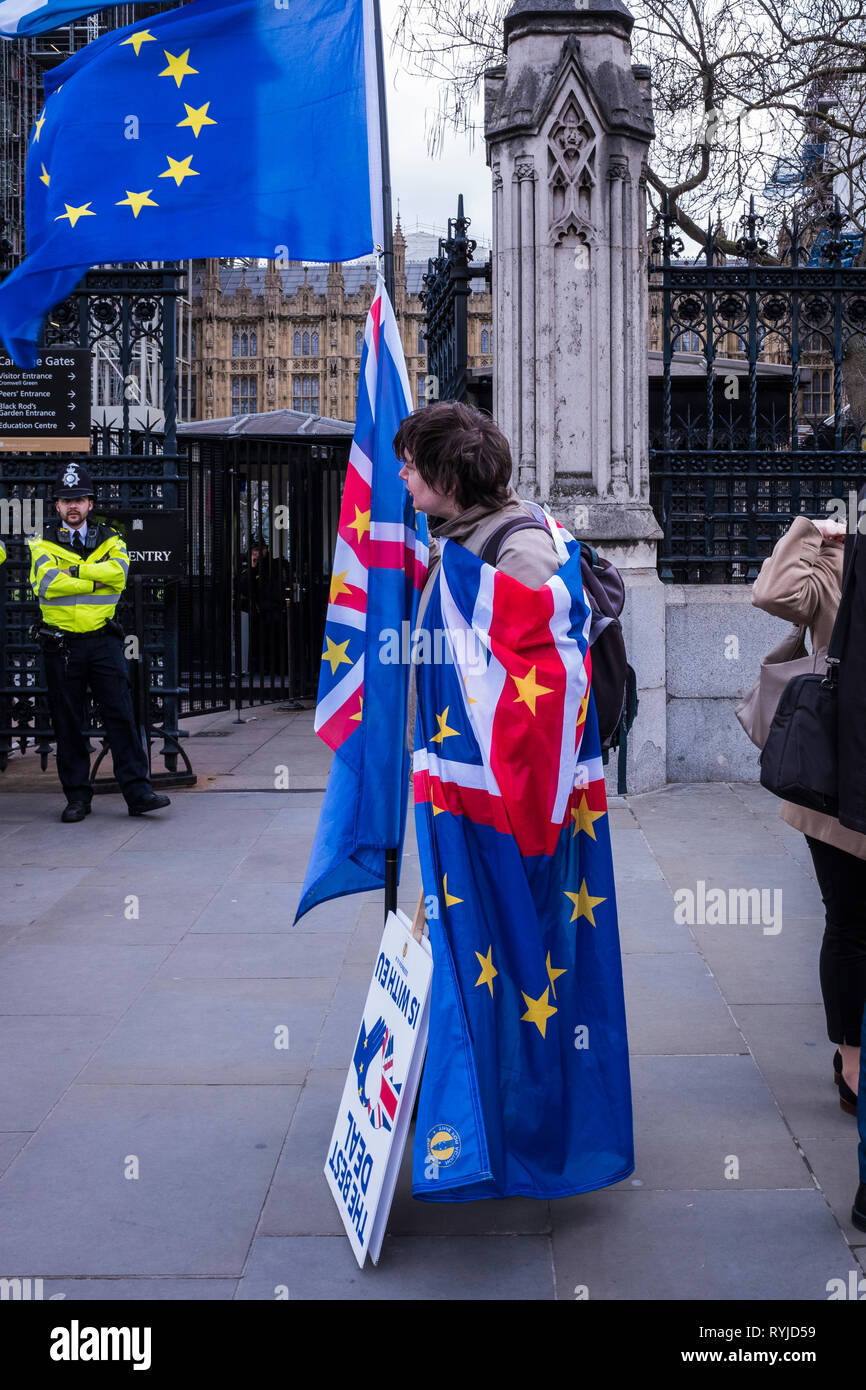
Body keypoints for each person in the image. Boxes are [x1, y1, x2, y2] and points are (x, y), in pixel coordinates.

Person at [393, 401, 633, 1201]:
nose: (401, 474)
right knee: (467, 951)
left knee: (513, 958)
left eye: (412, 463)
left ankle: (513, 1126)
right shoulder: (462, 538)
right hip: (459, 797)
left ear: (449, 477)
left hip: (505, 813)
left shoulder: (518, 550)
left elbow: (543, 693)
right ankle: (468, 1116)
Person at [751, 514, 866, 1115]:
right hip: (839, 778)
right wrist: (811, 532)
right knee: (850, 921)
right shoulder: (837, 566)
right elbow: (770, 593)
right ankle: (851, 1059)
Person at [28, 461, 170, 823]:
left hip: (103, 640)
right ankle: (77, 797)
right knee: (68, 722)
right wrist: (95, 577)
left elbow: (119, 576)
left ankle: (138, 793)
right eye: (65, 500)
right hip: (61, 645)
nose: (72, 506)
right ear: (56, 506)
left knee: (121, 716)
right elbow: (47, 583)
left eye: (78, 499)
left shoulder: (111, 538)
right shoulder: (42, 540)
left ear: (91, 503)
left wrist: (73, 571)